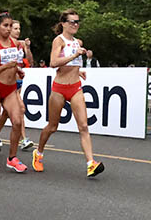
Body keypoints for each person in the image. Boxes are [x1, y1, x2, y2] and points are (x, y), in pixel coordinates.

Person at [33, 9, 104, 177]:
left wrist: (78, 71)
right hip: (59, 89)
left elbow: (71, 64)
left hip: (75, 88)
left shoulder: (78, 41)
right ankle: (39, 153)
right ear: (63, 24)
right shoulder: (59, 41)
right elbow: (53, 63)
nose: (75, 24)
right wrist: (74, 56)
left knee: (84, 126)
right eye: (71, 21)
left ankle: (90, 164)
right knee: (52, 127)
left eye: (77, 21)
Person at [0, 11, 27, 173]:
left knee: (16, 121)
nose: (8, 29)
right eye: (5, 26)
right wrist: (7, 67)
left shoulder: (15, 43)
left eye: (10, 26)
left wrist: (18, 70)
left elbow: (14, 63)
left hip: (10, 87)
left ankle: (12, 158)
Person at [0, 20, 34, 151]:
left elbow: (30, 61)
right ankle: (23, 139)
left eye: (18, 28)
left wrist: (27, 48)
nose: (17, 31)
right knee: (20, 109)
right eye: (15, 28)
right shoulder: (0, 44)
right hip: (5, 82)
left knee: (7, 112)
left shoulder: (20, 44)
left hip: (18, 81)